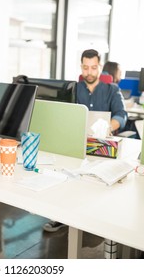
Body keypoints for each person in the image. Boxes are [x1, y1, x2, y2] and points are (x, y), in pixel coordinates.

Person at [43, 50, 128, 233]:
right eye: (85, 67)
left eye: (94, 68)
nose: (89, 72)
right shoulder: (74, 89)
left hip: (101, 145)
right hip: (76, 142)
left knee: (97, 185)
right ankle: (62, 216)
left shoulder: (112, 89)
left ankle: (97, 219)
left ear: (100, 67)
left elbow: (122, 115)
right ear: (81, 66)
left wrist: (109, 127)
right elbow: (64, 114)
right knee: (66, 173)